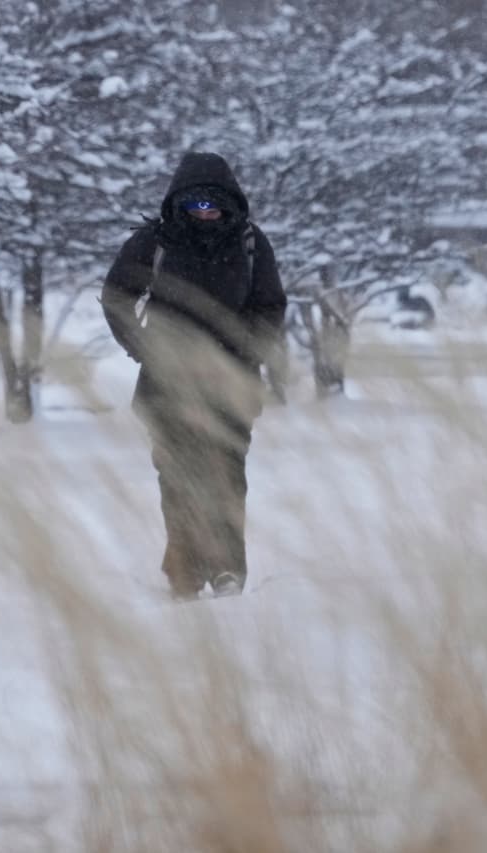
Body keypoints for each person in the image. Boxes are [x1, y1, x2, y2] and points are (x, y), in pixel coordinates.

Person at [102, 152, 287, 600]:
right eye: (194, 204)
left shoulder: (250, 243)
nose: (204, 213)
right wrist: (146, 346)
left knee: (226, 479)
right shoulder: (155, 241)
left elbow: (270, 306)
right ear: (178, 203)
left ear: (230, 203)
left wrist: (242, 347)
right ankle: (185, 572)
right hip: (167, 386)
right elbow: (116, 296)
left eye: (213, 204)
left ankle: (227, 571)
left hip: (231, 385)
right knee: (178, 478)